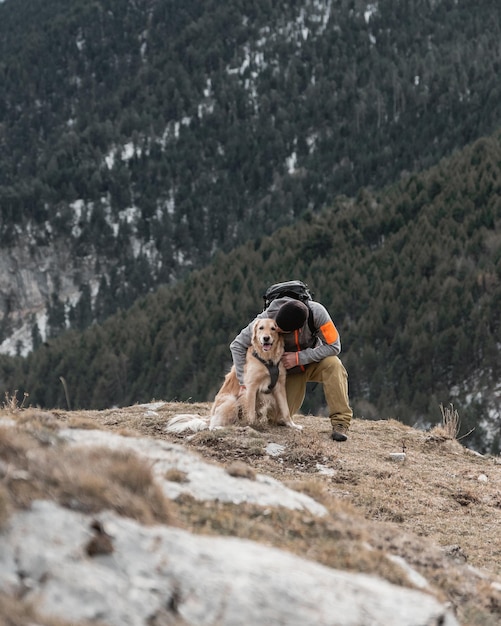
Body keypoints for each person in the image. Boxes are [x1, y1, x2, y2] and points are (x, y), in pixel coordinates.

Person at [230, 294, 353, 441]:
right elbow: (237, 345)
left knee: (334, 365)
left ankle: (340, 423)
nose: (279, 332)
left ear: (299, 329)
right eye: (278, 329)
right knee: (276, 420)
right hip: (287, 373)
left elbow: (334, 346)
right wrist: (242, 381)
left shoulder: (317, 313)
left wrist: (299, 358)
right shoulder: (266, 319)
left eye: (283, 332)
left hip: (312, 362)